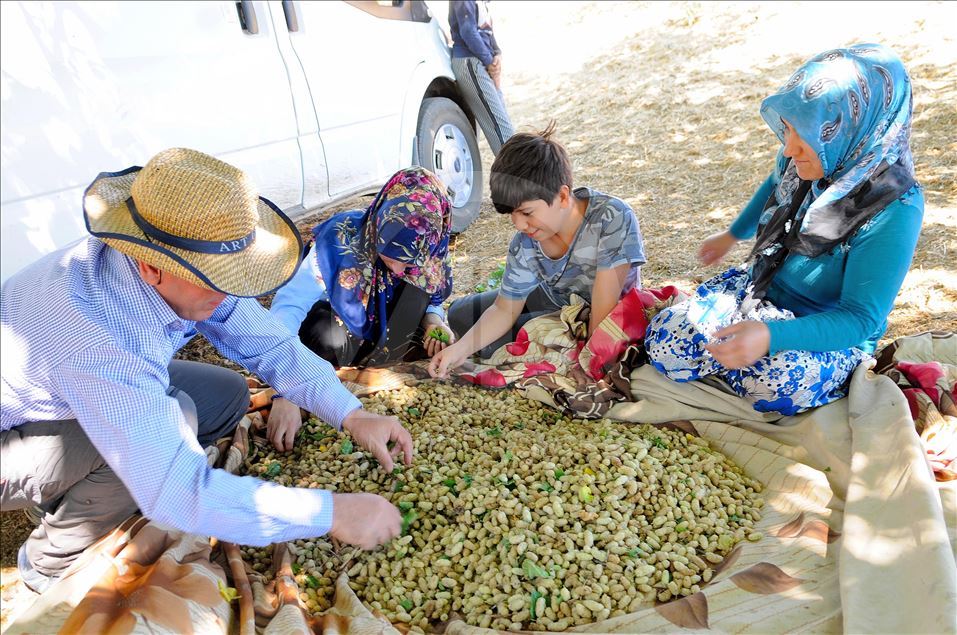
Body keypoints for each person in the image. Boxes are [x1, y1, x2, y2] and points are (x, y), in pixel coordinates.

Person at [0, 148, 414, 594]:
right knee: (173, 421)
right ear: (151, 266)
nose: (230, 288)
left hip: (57, 389)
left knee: (226, 395)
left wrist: (353, 414)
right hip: (12, 435)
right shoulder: (101, 340)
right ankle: (47, 563)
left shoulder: (167, 266)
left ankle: (82, 491)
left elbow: (270, 344)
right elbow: (178, 493)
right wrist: (331, 512)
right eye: (216, 276)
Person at [645, 44, 923, 416]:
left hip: (824, 330)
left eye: (804, 133)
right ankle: (739, 363)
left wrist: (770, 336)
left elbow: (859, 319)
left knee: (772, 379)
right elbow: (774, 187)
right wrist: (733, 234)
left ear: (851, 129)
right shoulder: (811, 156)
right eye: (788, 129)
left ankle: (750, 367)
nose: (789, 148)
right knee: (666, 339)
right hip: (759, 293)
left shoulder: (895, 208)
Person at [430, 124, 647, 378]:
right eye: (512, 214)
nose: (519, 225)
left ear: (562, 197)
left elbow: (604, 307)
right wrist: (459, 351)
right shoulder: (525, 241)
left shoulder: (612, 218)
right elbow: (504, 309)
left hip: (604, 313)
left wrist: (591, 362)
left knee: (498, 346)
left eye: (526, 212)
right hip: (554, 301)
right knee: (460, 315)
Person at [268, 167, 455, 430]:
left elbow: (432, 300)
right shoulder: (339, 238)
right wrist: (287, 389)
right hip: (340, 339)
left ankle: (379, 365)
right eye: (389, 257)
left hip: (391, 342)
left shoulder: (430, 248)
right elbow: (289, 307)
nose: (397, 270)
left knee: (434, 340)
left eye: (409, 265)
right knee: (320, 332)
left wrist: (434, 321)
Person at [449, 0, 514, 155]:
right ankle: (519, 168)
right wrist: (489, 62)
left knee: (504, 124)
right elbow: (468, 32)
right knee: (501, 129)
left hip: (484, 60)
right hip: (470, 60)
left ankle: (518, 166)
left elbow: (487, 31)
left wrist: (497, 53)